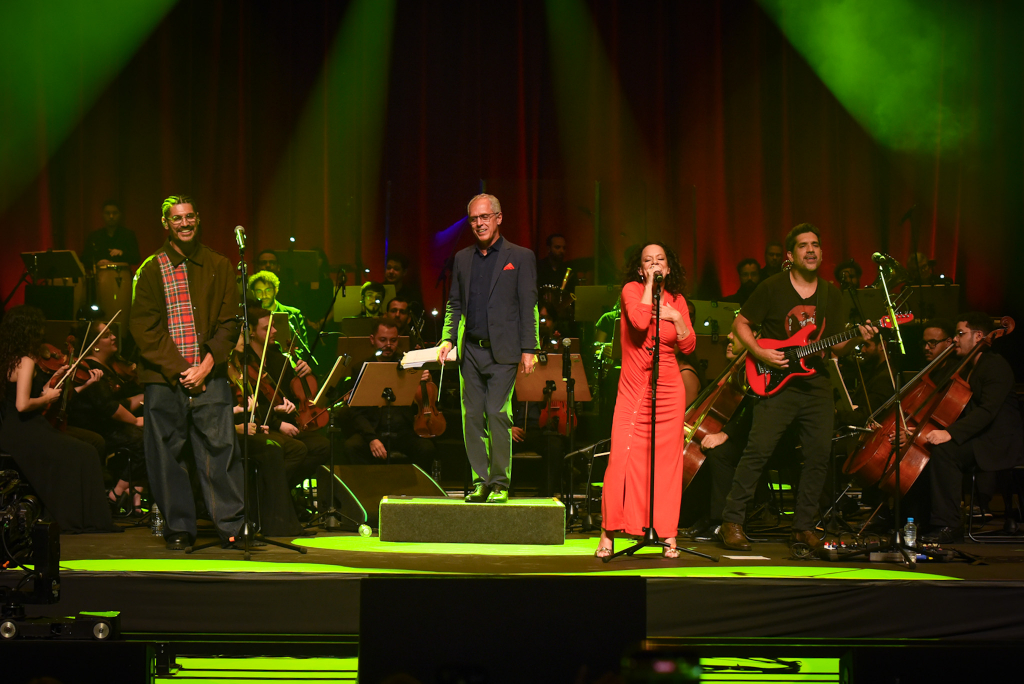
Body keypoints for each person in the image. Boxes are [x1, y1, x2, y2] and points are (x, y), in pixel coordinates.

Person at [720, 223, 877, 551]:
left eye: (816, 245)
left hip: (816, 383)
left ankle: (803, 526)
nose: (811, 250)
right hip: (776, 382)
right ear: (790, 255)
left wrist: (857, 339)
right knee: (757, 452)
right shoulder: (772, 287)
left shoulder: (831, 294)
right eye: (803, 245)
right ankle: (731, 521)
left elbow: (835, 349)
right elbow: (740, 323)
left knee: (819, 456)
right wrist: (761, 351)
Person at [129, 194, 246, 551]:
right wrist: (184, 370)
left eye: (190, 217)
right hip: (165, 378)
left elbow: (229, 323)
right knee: (167, 455)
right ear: (165, 223)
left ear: (199, 219)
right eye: (177, 218)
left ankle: (230, 526)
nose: (184, 223)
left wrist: (206, 365)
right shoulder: (150, 269)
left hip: (210, 373)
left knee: (220, 450)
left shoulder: (220, 264)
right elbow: (144, 329)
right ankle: (179, 527)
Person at [437, 194, 539, 504]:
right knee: (471, 417)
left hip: (504, 350)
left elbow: (528, 304)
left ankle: (500, 483)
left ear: (498, 218)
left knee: (496, 413)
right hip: (471, 350)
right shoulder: (463, 258)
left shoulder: (520, 256)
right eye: (473, 219)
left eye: (484, 217)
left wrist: (529, 348)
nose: (479, 223)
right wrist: (448, 338)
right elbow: (454, 303)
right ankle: (480, 481)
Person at [596, 242, 695, 558]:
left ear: (668, 267)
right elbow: (639, 323)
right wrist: (650, 287)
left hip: (668, 390)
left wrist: (676, 318)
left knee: (666, 465)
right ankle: (608, 532)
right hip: (634, 388)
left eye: (660, 260)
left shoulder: (677, 300)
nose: (654, 264)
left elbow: (689, 346)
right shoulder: (630, 291)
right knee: (621, 461)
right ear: (641, 269)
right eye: (647, 261)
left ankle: (667, 533)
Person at [0, 306, 119, 533]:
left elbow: (29, 395)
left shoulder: (9, 359)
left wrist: (52, 384)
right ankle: (80, 519)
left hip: (13, 431)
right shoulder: (26, 360)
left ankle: (76, 516)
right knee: (85, 453)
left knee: (83, 451)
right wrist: (46, 398)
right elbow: (23, 404)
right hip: (27, 430)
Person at [921, 313, 1024, 543]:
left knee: (945, 452)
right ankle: (922, 518)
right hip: (979, 436)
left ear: (979, 336)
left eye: (960, 334)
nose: (955, 340)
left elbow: (987, 413)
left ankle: (948, 525)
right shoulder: (966, 366)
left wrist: (950, 433)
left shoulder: (995, 365)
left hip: (998, 441)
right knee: (928, 448)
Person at [237, 307, 330, 489]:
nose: (274, 331)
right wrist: (277, 422)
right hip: (264, 425)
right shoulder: (243, 363)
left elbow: (298, 395)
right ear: (252, 333)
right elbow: (248, 406)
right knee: (297, 450)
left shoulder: (279, 360)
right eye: (267, 328)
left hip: (287, 423)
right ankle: (270, 494)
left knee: (324, 446)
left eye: (273, 326)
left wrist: (306, 374)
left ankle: (282, 492)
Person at [681, 332, 754, 543]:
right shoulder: (734, 372)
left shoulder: (752, 372)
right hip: (734, 431)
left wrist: (725, 434)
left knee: (716, 454)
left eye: (736, 333)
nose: (729, 337)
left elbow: (751, 413)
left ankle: (718, 521)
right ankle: (697, 515)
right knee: (701, 450)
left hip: (749, 435)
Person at [69, 320, 147, 516]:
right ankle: (118, 492)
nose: (113, 337)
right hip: (98, 427)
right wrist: (136, 420)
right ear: (95, 344)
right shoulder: (89, 368)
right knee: (143, 437)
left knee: (151, 434)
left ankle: (135, 493)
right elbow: (108, 407)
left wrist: (146, 396)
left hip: (110, 423)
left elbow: (121, 401)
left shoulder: (108, 366)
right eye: (106, 335)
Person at [340, 318, 436, 471]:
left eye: (393, 340)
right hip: (374, 430)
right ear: (372, 340)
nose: (388, 345)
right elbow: (356, 411)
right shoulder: (360, 369)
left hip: (403, 431)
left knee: (426, 448)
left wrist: (425, 381)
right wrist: (372, 439)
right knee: (351, 447)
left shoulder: (409, 367)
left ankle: (415, 491)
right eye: (383, 340)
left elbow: (422, 400)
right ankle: (370, 490)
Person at [248, 270, 311, 358]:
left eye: (268, 290)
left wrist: (292, 357)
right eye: (259, 291)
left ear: (276, 290)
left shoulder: (293, 313)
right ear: (253, 293)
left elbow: (302, 347)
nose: (264, 295)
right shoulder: (250, 316)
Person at [83, 200, 142, 269]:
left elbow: (136, 258)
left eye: (115, 213)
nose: (111, 216)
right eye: (107, 213)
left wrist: (122, 253)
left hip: (122, 275)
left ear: (120, 214)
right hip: (100, 275)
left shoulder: (128, 235)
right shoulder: (94, 236)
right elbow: (84, 259)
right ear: (102, 215)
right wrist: (97, 262)